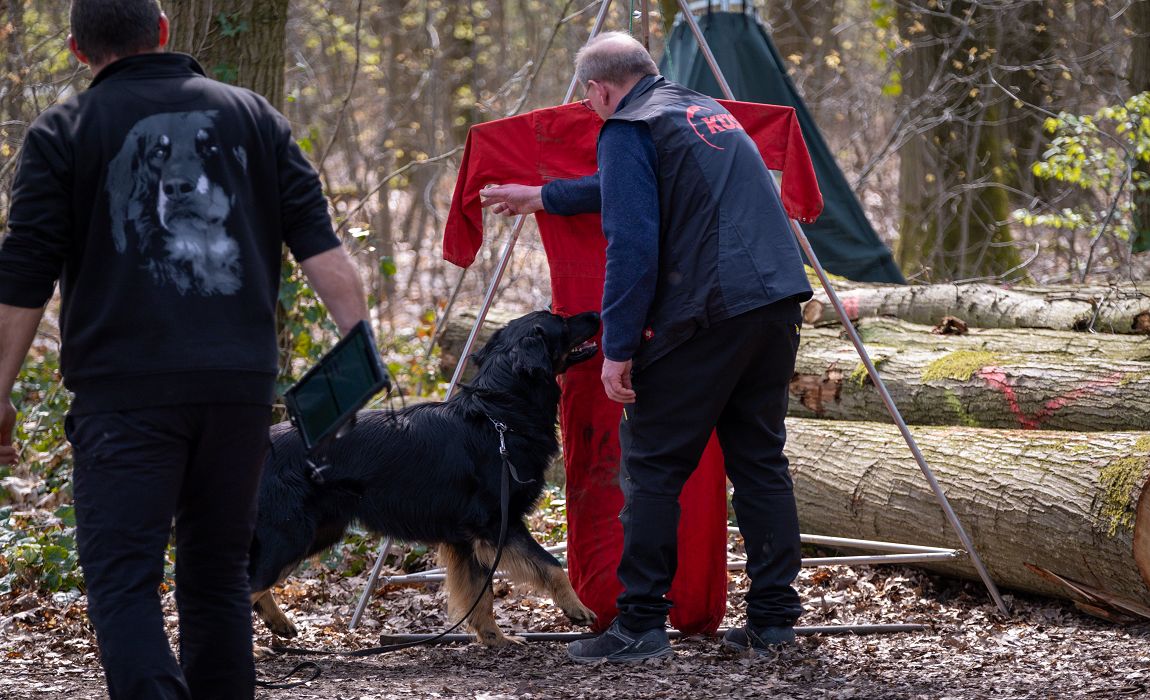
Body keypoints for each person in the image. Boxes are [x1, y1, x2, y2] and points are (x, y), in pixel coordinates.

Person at [0, 1, 371, 697]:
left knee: (124, 578)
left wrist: (0, 394)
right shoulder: (255, 117)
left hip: (125, 396)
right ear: (164, 32)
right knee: (218, 577)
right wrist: (359, 347)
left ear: (79, 51)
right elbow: (320, 245)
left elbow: (24, 275)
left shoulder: (65, 130)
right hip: (236, 393)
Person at [488, 31, 814, 663]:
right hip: (775, 304)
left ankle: (639, 626)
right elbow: (634, 187)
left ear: (599, 89)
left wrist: (615, 347)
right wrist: (544, 197)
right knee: (760, 465)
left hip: (708, 312)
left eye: (589, 99)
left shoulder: (627, 127)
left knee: (654, 468)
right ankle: (774, 621)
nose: (589, 109)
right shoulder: (700, 112)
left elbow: (632, 242)